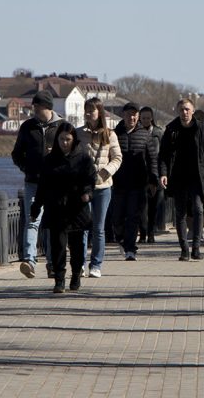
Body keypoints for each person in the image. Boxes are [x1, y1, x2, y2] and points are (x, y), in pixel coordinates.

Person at [30, 122, 94, 294]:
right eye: (61, 139)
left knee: (77, 247)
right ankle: (59, 280)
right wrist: (36, 206)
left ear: (74, 140)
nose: (64, 142)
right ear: (57, 139)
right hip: (56, 208)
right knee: (58, 246)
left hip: (77, 209)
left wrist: (87, 193)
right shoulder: (49, 161)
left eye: (68, 139)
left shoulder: (83, 159)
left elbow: (90, 180)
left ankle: (76, 275)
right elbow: (42, 186)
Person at [12, 90, 64, 279]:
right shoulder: (28, 127)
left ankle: (52, 263)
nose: (34, 109)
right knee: (32, 221)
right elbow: (16, 153)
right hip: (33, 183)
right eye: (33, 106)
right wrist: (27, 169)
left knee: (51, 224)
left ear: (47, 107)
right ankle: (29, 261)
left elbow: (73, 154)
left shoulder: (62, 126)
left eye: (37, 106)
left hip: (55, 184)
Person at [159, 98, 204, 261]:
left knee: (198, 210)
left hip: (197, 177)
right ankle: (184, 248)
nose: (184, 113)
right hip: (177, 176)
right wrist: (163, 173)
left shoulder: (202, 129)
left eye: (187, 109)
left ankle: (196, 247)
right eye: (181, 110)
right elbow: (163, 154)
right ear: (178, 111)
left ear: (193, 110)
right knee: (181, 213)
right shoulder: (171, 129)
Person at [77, 97, 122, 278]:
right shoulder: (79, 133)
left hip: (103, 187)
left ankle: (96, 264)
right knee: (82, 226)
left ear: (99, 112)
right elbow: (73, 157)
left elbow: (117, 158)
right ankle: (79, 263)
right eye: (86, 110)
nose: (89, 114)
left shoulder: (110, 135)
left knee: (99, 227)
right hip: (83, 187)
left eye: (92, 110)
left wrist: (105, 172)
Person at [111, 102, 158, 261]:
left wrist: (153, 179)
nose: (131, 117)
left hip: (138, 184)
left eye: (134, 114)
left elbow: (152, 158)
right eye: (128, 114)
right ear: (123, 115)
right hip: (118, 183)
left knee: (133, 216)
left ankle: (131, 249)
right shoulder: (115, 134)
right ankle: (120, 237)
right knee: (117, 217)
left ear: (137, 116)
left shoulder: (145, 134)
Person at [140, 106, 165, 242]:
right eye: (143, 118)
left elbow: (163, 155)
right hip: (141, 175)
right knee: (142, 207)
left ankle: (151, 232)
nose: (145, 120)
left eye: (148, 118)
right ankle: (143, 233)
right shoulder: (137, 133)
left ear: (152, 118)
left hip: (156, 174)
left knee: (154, 206)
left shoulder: (158, 133)